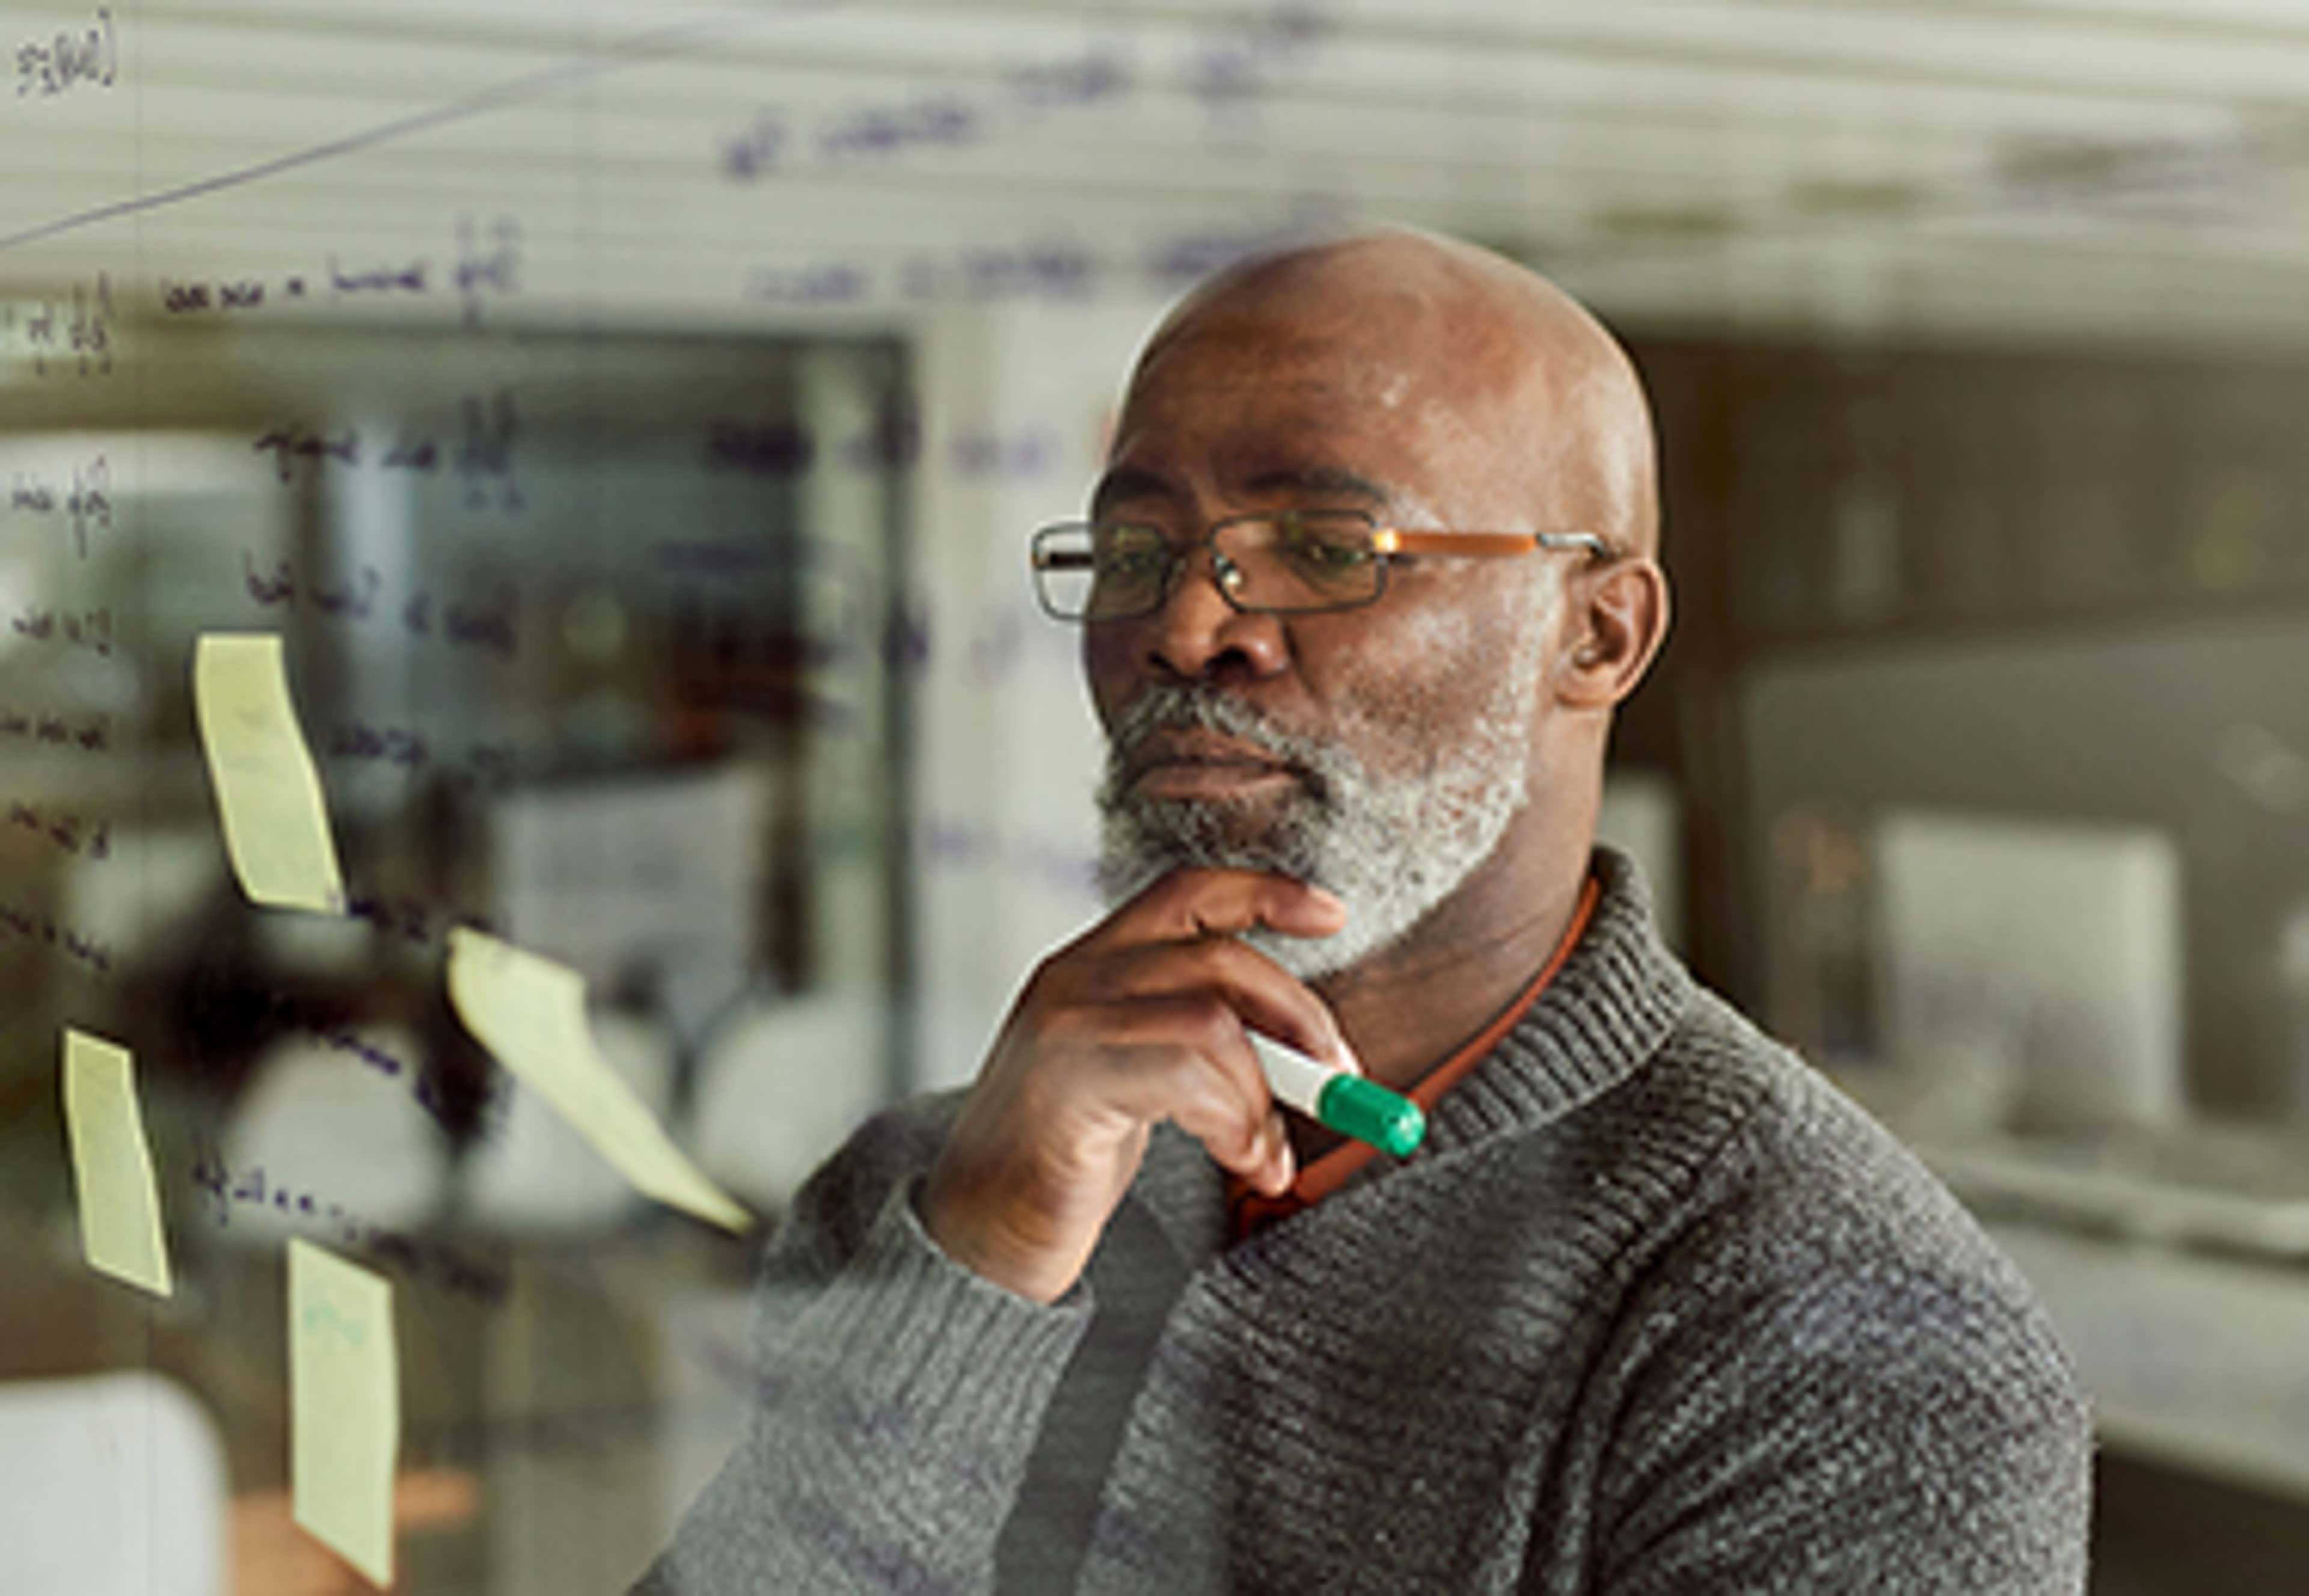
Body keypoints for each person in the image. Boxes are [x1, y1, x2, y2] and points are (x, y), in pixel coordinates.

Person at [634, 230, 2091, 1594]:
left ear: (1597, 631)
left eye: (1331, 548)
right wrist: (974, 1273)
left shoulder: (1848, 1338)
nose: (1189, 627)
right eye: (1135, 552)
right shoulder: (931, 1192)